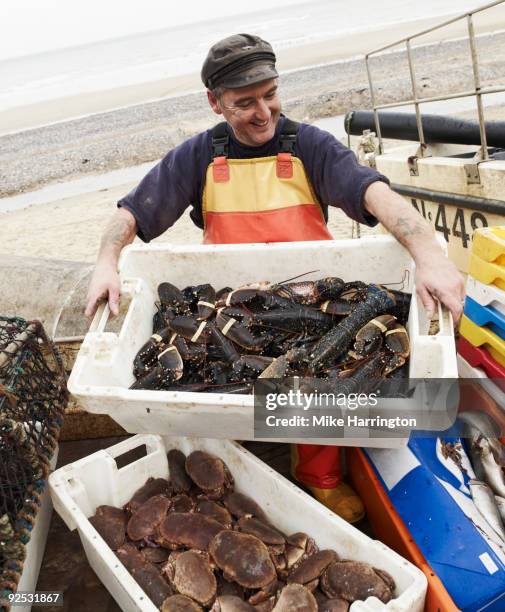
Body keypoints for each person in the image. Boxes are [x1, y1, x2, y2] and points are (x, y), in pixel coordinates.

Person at [85, 33, 465, 523]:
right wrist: (106, 260)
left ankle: (319, 476)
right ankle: (222, 473)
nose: (263, 111)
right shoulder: (198, 155)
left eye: (270, 95)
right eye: (245, 103)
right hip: (229, 308)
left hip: (315, 303)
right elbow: (131, 212)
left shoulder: (310, 145)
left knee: (322, 381)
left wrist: (429, 252)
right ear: (215, 102)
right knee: (216, 400)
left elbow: (376, 194)